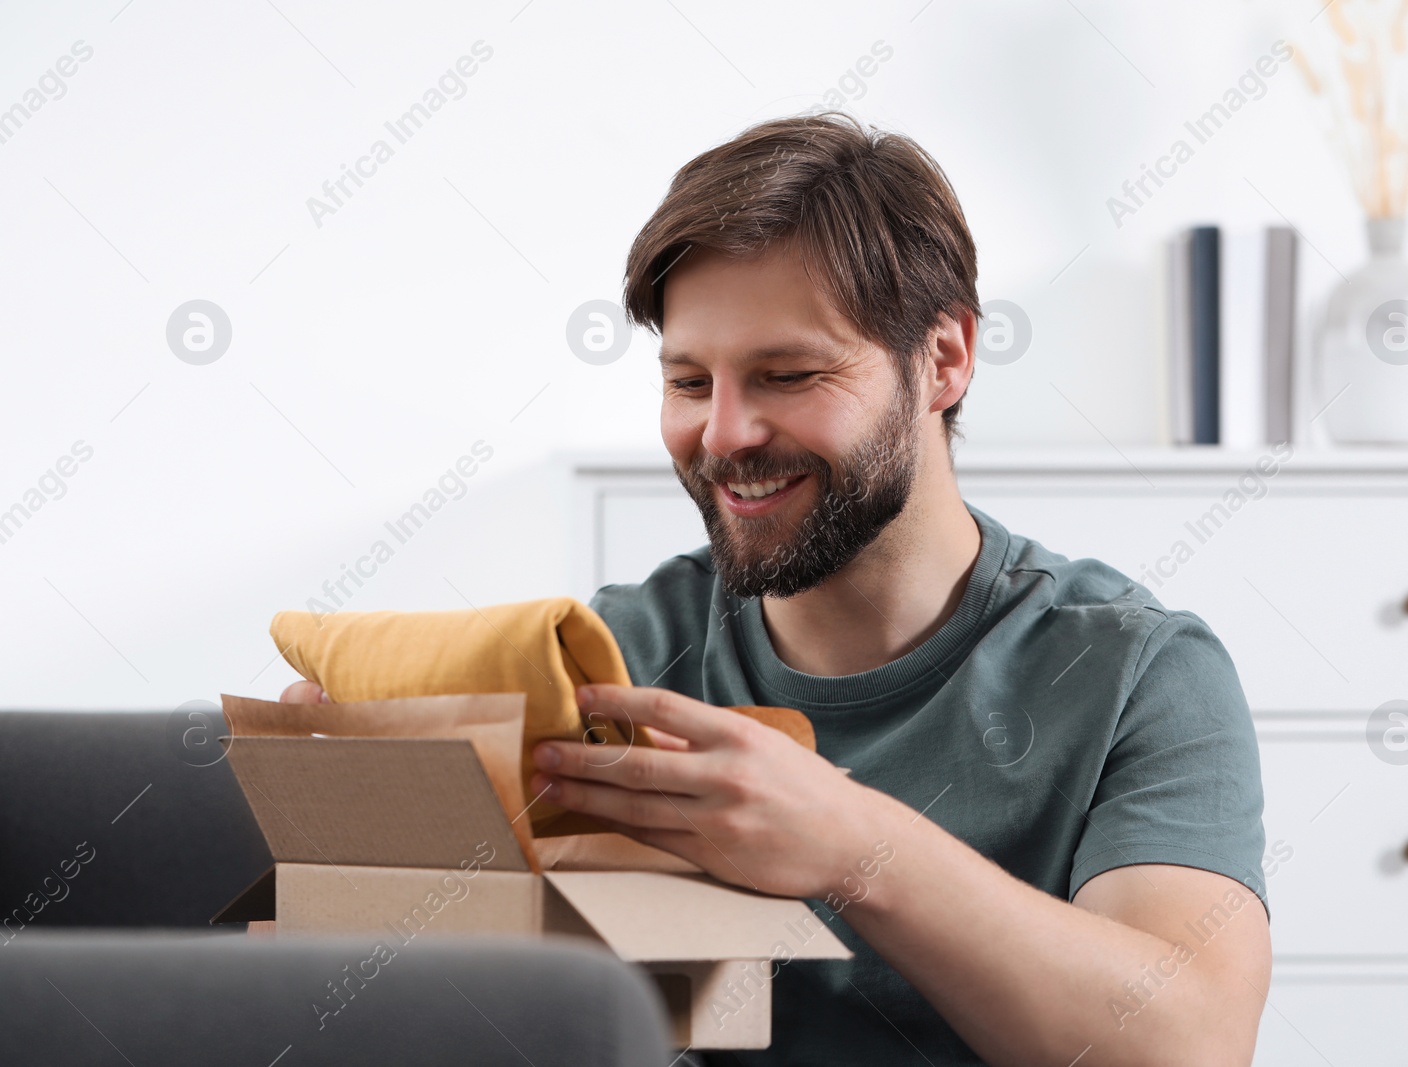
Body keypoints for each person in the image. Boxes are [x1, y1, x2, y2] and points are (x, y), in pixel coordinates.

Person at [285, 111, 1270, 1067]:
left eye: (786, 374)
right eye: (686, 382)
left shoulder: (1133, 671)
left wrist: (852, 844)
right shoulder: (619, 654)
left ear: (944, 358)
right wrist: (370, 817)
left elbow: (1186, 1043)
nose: (721, 435)